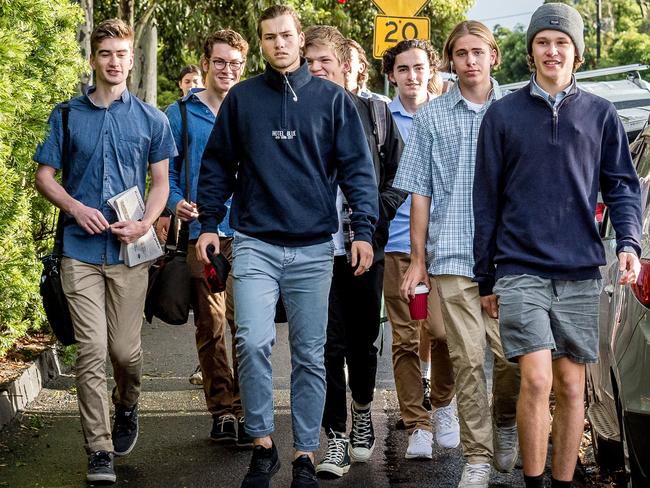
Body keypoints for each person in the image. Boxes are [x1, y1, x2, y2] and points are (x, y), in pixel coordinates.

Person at [195, 5, 378, 488]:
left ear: (300, 39)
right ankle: (262, 447)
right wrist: (209, 223)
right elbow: (216, 165)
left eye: (286, 35)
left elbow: (359, 170)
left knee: (310, 354)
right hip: (255, 242)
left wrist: (363, 230)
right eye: (270, 37)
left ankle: (302, 454)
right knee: (252, 341)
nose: (279, 43)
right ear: (262, 44)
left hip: (315, 247)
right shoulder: (243, 100)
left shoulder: (334, 101)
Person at [472, 4, 642, 488]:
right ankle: (533, 482)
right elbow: (485, 200)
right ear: (530, 51)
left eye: (561, 42)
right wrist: (486, 276)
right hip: (520, 268)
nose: (552, 50)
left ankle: (563, 482)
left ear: (577, 54)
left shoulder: (601, 115)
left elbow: (623, 187)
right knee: (539, 379)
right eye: (543, 41)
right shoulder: (503, 116)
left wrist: (627, 241)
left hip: (581, 270)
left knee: (571, 387)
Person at [33, 19, 176, 484]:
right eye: (106, 54)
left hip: (132, 253)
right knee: (91, 350)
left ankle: (127, 402)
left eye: (122, 54)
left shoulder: (152, 119)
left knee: (124, 352)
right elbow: (45, 177)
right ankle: (98, 449)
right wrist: (75, 208)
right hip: (80, 251)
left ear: (131, 60)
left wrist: (146, 222)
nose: (115, 62)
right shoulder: (68, 115)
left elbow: (161, 184)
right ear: (93, 60)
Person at [395, 21, 520, 488]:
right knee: (467, 359)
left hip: (508, 257)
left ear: (493, 56)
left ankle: (505, 421)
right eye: (461, 53)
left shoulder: (515, 110)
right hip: (451, 253)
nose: (470, 61)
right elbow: (420, 193)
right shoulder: (431, 117)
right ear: (451, 59)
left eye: (478, 52)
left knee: (510, 358)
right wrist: (418, 258)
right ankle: (478, 457)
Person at [302, 25, 405, 479]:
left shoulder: (376, 114)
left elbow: (401, 175)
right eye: (309, 61)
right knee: (326, 345)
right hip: (314, 251)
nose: (316, 69)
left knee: (362, 343)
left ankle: (363, 411)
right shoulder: (295, 113)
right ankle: (337, 437)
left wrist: (374, 220)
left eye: (324, 60)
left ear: (346, 66)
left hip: (365, 249)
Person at [165, 29, 251, 447]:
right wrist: (175, 203)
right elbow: (167, 173)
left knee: (247, 326)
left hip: (250, 233)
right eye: (220, 62)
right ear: (205, 64)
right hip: (202, 235)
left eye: (235, 63)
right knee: (212, 324)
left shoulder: (252, 108)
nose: (228, 69)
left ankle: (249, 407)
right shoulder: (179, 113)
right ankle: (224, 411)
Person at [381, 39, 459, 461]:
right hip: (395, 247)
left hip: (444, 248)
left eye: (419, 67)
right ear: (392, 74)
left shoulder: (447, 114)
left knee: (444, 335)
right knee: (407, 338)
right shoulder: (380, 117)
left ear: (432, 71)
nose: (412, 75)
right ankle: (417, 424)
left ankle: (444, 405)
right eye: (403, 68)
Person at [344, 38, 390, 103]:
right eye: (339, 59)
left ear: (361, 67)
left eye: (349, 58)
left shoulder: (382, 104)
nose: (344, 63)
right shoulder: (326, 102)